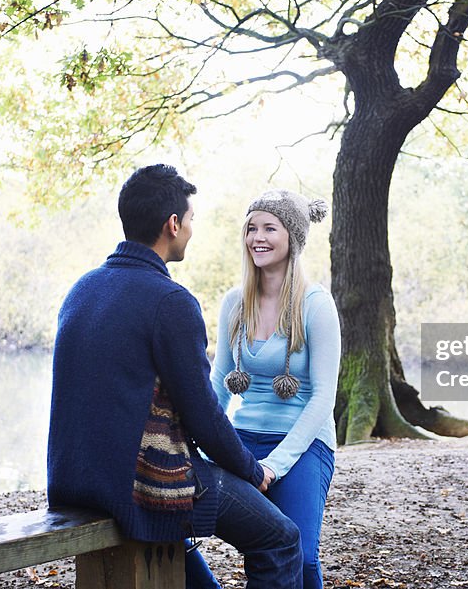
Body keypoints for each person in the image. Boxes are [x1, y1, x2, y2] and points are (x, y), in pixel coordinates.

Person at [47, 164, 303, 589]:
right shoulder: (170, 301)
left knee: (178, 551)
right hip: (134, 484)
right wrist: (252, 470)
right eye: (190, 220)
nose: (190, 230)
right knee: (280, 540)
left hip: (73, 480)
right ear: (172, 224)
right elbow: (203, 414)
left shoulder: (83, 288)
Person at [209, 189, 341, 589]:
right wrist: (202, 445)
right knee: (172, 526)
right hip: (243, 439)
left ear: (293, 238)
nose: (257, 237)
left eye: (270, 227)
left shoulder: (316, 305)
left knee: (299, 555)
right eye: (251, 228)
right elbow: (218, 382)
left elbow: (323, 397)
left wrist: (274, 465)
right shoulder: (234, 302)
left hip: (304, 444)